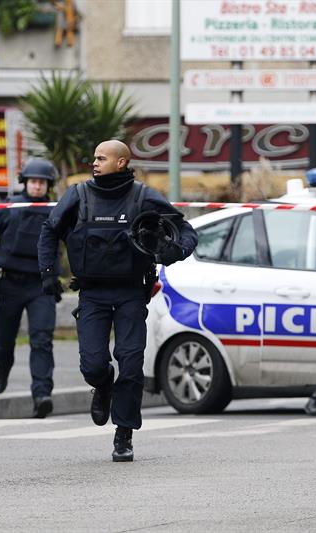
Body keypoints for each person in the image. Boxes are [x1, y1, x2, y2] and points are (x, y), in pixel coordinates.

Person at [38, 140, 198, 462]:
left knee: (130, 362)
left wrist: (174, 252)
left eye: (101, 158)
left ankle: (123, 434)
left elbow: (183, 230)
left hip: (130, 293)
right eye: (93, 157)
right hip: (93, 293)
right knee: (93, 364)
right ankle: (103, 386)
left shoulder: (143, 197)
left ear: (122, 162)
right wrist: (47, 274)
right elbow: (49, 230)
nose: (94, 162)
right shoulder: (79, 194)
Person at [0, 158, 61, 418]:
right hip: (9, 283)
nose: (37, 186)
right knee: (4, 340)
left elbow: (75, 242)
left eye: (42, 183)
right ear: (25, 183)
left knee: (42, 341)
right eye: (33, 181)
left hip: (42, 285)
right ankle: (3, 367)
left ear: (48, 186)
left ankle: (42, 395)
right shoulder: (9, 207)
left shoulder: (57, 211)